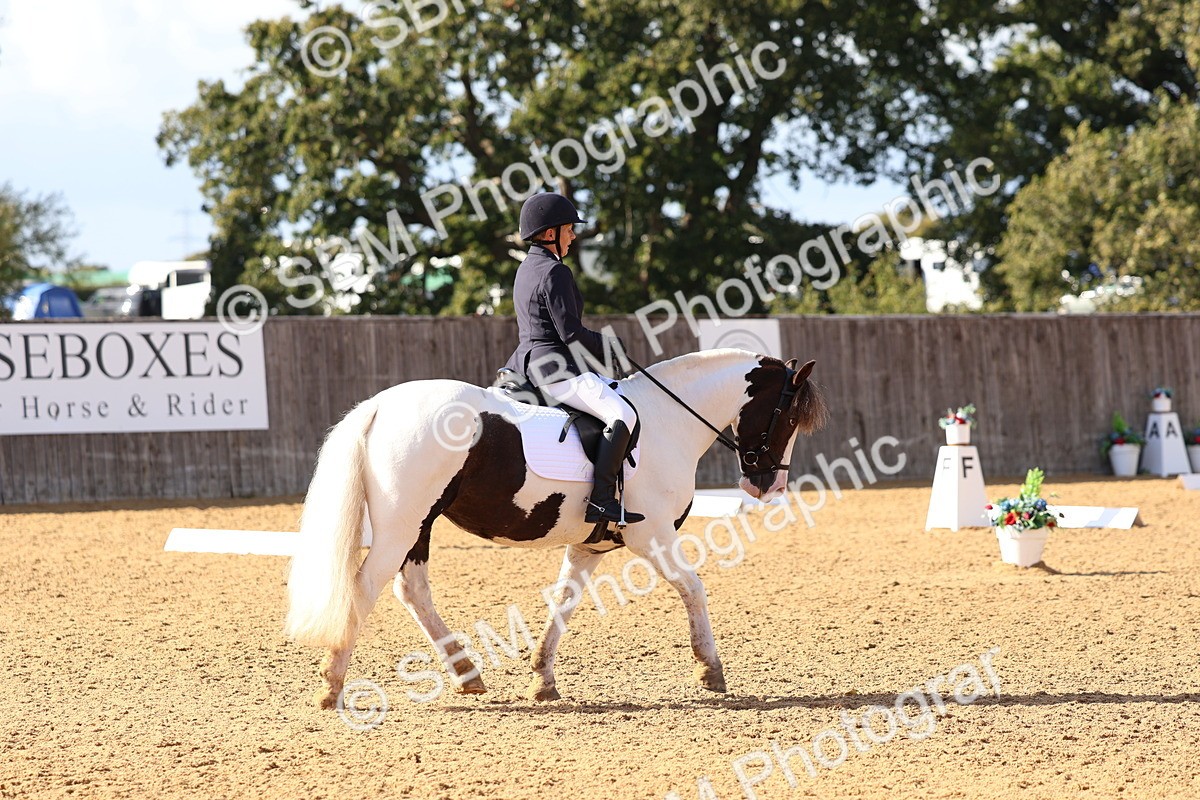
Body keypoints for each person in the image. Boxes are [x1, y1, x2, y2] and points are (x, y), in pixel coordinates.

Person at [504, 193, 644, 525]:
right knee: (622, 413)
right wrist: (609, 346)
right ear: (550, 233)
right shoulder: (556, 272)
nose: (574, 235)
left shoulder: (526, 268)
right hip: (554, 370)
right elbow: (571, 333)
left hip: (523, 364)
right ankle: (601, 501)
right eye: (569, 229)